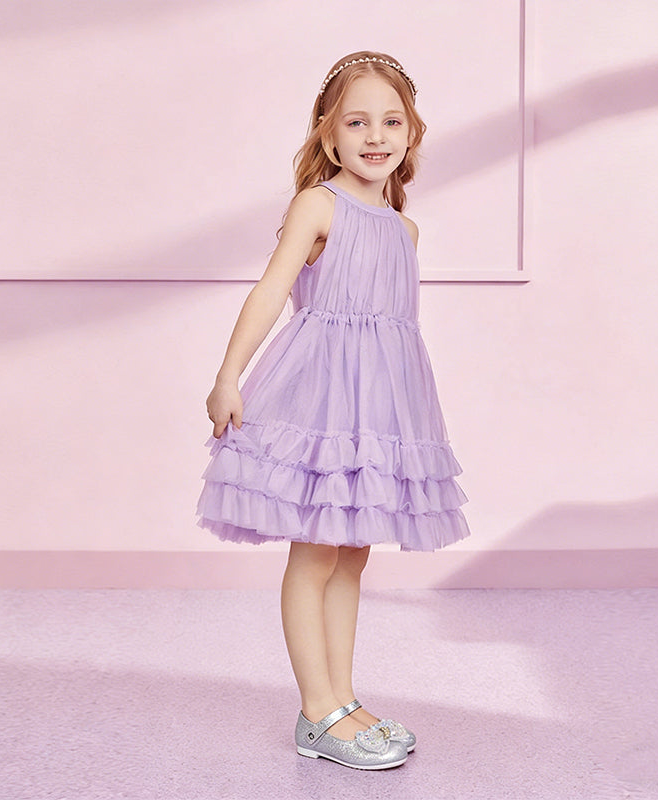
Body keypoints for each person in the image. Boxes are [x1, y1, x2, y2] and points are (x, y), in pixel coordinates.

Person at [197, 51, 470, 770]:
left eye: (392, 121)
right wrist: (229, 376)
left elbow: (393, 331)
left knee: (353, 554)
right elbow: (270, 290)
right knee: (316, 550)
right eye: (357, 122)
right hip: (322, 397)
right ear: (327, 132)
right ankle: (316, 711)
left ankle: (342, 700)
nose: (376, 136)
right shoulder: (318, 205)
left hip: (382, 407)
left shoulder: (405, 230)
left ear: (412, 132)